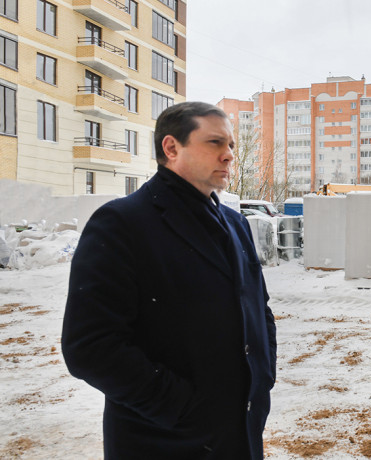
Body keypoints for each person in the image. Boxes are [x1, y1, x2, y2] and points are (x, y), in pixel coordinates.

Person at [62, 102, 277, 459]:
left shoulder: (235, 224)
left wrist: (262, 375)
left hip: (240, 429)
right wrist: (181, 407)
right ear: (171, 148)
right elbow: (90, 346)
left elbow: (257, 306)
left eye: (231, 146)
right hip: (165, 439)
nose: (228, 156)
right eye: (214, 143)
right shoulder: (123, 223)